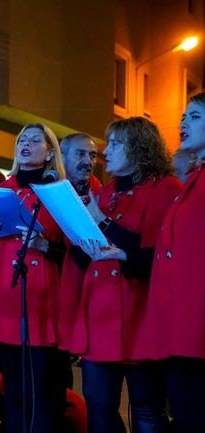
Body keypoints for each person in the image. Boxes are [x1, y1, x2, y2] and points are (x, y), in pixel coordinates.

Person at [69, 117, 180, 433]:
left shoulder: (166, 189)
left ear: (139, 147)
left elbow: (157, 255)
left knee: (147, 410)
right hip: (101, 315)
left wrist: (100, 220)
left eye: (115, 143)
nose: (107, 151)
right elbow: (88, 254)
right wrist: (75, 228)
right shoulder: (105, 192)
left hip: (141, 316)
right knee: (98, 407)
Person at [0, 123, 68, 433]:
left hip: (44, 301)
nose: (25, 144)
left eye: (34, 140)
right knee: (13, 394)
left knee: (43, 395)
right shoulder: (0, 191)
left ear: (49, 153)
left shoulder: (59, 192)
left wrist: (46, 245)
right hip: (6, 298)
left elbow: (77, 252)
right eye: (21, 140)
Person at [143, 92, 205, 433]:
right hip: (182, 323)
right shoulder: (193, 179)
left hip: (196, 326)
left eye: (194, 117)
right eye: (182, 117)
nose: (183, 123)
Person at [57, 133, 101, 353]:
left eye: (92, 155)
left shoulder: (100, 197)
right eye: (81, 154)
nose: (88, 161)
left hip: (83, 299)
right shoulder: (47, 191)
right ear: (61, 156)